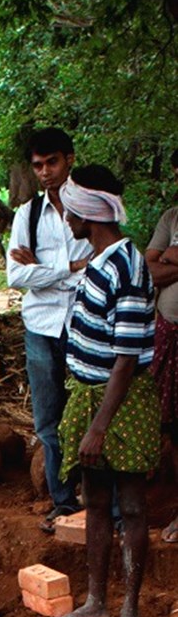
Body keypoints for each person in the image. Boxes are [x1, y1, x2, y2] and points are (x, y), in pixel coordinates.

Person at [49, 167, 157, 617]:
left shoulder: (127, 268)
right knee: (95, 499)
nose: (64, 215)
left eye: (68, 207)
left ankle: (129, 613)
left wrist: (98, 427)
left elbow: (127, 358)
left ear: (87, 215)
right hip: (91, 394)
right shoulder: (100, 261)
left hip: (122, 401)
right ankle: (96, 602)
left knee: (130, 506)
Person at [6, 128, 93, 532]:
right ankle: (62, 500)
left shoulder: (90, 209)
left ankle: (93, 497)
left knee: (88, 409)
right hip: (40, 325)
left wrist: (41, 270)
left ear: (69, 159)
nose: (45, 173)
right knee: (47, 417)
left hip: (83, 323)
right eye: (38, 165)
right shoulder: (28, 214)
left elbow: (98, 267)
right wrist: (68, 269)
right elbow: (14, 274)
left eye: (52, 162)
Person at [144, 149, 178, 543]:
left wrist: (171, 260)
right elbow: (149, 270)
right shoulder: (171, 217)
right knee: (170, 425)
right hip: (168, 330)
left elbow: (161, 265)